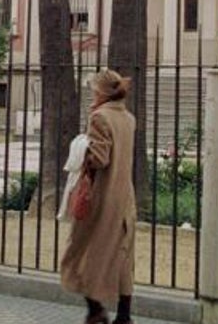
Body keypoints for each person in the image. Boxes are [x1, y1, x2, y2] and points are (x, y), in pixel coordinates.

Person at [60, 69, 137, 324]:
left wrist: (82, 148)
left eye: (94, 88)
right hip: (124, 196)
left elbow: (100, 158)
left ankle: (95, 310)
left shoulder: (100, 117)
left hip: (101, 197)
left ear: (101, 92)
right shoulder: (128, 118)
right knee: (122, 254)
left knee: (83, 251)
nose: (91, 91)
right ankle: (123, 316)